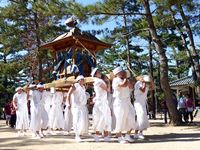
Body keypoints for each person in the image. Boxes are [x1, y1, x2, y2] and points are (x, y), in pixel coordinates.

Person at [112, 67, 136, 144]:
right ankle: (119, 137)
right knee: (120, 119)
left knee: (131, 118)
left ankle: (127, 135)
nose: (123, 73)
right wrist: (126, 79)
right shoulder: (115, 80)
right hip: (119, 102)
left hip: (127, 101)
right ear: (117, 73)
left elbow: (131, 87)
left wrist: (130, 80)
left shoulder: (126, 80)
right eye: (122, 72)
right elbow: (122, 85)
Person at [91, 68, 112, 142]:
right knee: (101, 118)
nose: (100, 73)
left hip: (103, 102)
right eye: (98, 72)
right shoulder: (98, 81)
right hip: (100, 103)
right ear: (95, 74)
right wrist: (108, 82)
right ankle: (97, 135)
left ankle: (104, 135)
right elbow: (108, 89)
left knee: (105, 118)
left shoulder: (99, 81)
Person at [67, 75, 89, 142]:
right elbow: (69, 94)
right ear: (78, 80)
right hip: (76, 106)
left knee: (82, 120)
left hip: (82, 106)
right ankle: (77, 136)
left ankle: (79, 134)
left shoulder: (83, 87)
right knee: (76, 120)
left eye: (83, 79)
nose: (83, 80)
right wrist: (68, 103)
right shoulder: (75, 85)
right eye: (81, 79)